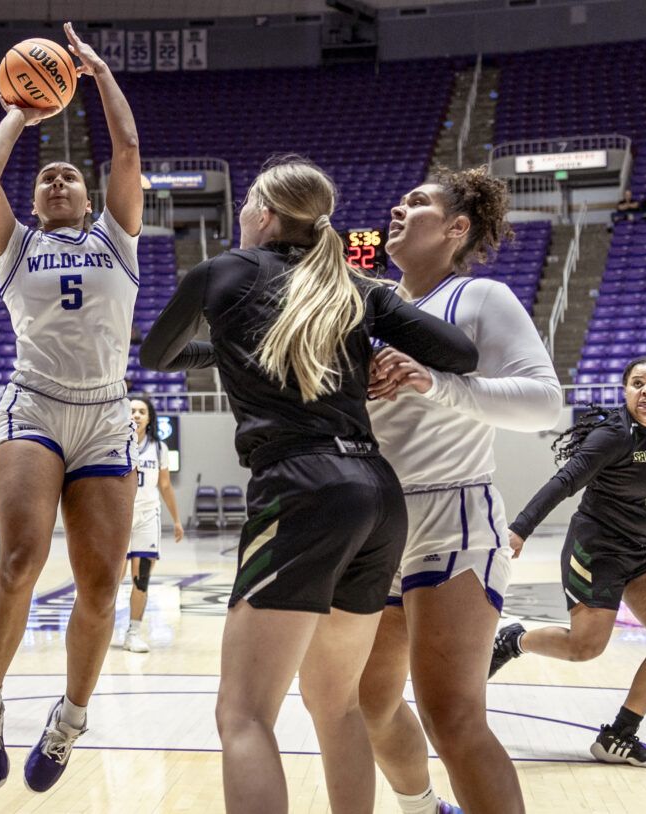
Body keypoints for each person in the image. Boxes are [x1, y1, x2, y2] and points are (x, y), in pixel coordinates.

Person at [139, 156, 479, 814]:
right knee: (337, 704)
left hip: (303, 486)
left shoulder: (222, 273)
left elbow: (157, 354)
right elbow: (460, 354)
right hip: (377, 494)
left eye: (246, 209)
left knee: (243, 715)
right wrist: (390, 356)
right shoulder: (355, 285)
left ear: (264, 214)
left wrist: (229, 345)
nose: (241, 218)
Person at [0, 22, 143, 794]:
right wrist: (23, 111)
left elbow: (129, 154)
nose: (60, 183)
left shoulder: (117, 239)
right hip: (34, 406)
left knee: (101, 587)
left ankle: (69, 720)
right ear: (36, 200)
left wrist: (99, 77)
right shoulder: (16, 247)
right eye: (49, 179)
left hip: (106, 413)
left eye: (70, 176)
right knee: (20, 560)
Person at [358, 168, 562, 814]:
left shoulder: (480, 297)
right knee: (368, 705)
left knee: (451, 716)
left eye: (417, 202)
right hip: (378, 523)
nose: (398, 207)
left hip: (452, 515)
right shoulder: (376, 305)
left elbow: (544, 403)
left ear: (456, 228)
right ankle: (422, 808)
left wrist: (438, 384)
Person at [490, 357, 646, 770]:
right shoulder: (613, 436)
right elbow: (564, 481)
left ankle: (619, 736)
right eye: (638, 383)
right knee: (585, 647)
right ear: (625, 391)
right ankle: (512, 641)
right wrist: (520, 529)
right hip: (597, 549)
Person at [118, 396, 184, 653]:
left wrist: (176, 520)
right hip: (120, 517)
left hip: (147, 516)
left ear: (149, 417)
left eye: (141, 411)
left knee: (141, 578)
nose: (135, 415)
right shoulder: (116, 443)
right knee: (114, 577)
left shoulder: (159, 448)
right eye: (132, 411)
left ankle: (133, 632)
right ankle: (100, 629)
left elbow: (165, 485)